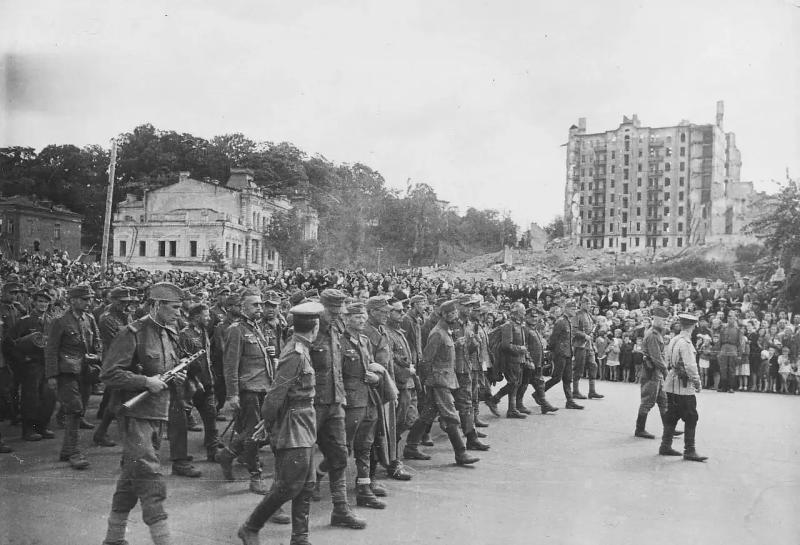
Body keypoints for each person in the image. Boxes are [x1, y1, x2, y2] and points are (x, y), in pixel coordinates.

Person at [99, 282, 187, 545]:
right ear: (156, 305)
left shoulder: (169, 332)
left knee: (130, 478)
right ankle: (163, 540)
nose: (179, 314)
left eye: (180, 309)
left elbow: (165, 368)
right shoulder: (132, 332)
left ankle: (113, 538)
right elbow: (109, 373)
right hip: (135, 415)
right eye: (174, 308)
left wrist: (176, 376)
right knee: (150, 477)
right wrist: (145, 382)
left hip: (159, 413)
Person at [237, 301, 325, 545]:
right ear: (315, 326)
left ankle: (300, 537)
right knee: (288, 484)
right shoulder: (295, 354)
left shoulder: (301, 349)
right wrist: (267, 422)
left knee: (306, 484)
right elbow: (276, 394)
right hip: (294, 423)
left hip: (304, 421)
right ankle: (250, 527)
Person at [309, 289, 366, 529]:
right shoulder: (308, 329)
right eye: (333, 311)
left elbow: (337, 368)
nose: (337, 316)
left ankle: (341, 509)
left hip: (334, 403)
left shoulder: (335, 329)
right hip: (310, 404)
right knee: (295, 456)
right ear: (323, 308)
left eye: (339, 311)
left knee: (339, 455)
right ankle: (277, 503)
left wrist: (341, 397)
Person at [402, 300, 480, 465]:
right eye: (450, 313)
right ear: (443, 315)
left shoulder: (447, 331)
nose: (454, 316)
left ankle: (410, 447)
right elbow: (426, 360)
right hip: (438, 381)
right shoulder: (438, 333)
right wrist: (427, 381)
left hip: (445, 378)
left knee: (427, 414)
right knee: (451, 416)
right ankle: (461, 452)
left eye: (454, 313)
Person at [218, 289, 275, 495]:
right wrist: (232, 394)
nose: (260, 308)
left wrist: (270, 354)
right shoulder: (236, 330)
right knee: (254, 433)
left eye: (260, 304)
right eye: (255, 305)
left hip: (264, 387)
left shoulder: (258, 328)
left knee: (258, 431)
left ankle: (228, 454)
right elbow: (230, 365)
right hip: (248, 389)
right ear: (242, 308)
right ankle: (255, 476)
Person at [44, 284, 102, 470]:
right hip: (66, 372)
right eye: (84, 299)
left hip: (85, 370)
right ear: (72, 300)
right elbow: (51, 350)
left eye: (89, 299)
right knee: (75, 409)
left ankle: (67, 450)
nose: (88, 302)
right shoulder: (59, 321)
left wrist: (98, 357)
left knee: (78, 411)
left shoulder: (89, 318)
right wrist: (52, 375)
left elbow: (97, 342)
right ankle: (74, 452)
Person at [340, 301, 386, 509]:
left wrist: (375, 378)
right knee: (343, 446)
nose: (361, 320)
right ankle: (319, 479)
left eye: (363, 316)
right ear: (346, 318)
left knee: (365, 446)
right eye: (356, 316)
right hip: (350, 402)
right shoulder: (340, 342)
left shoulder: (365, 340)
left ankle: (364, 489)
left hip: (368, 398)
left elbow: (368, 366)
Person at [660, 313, 708, 462]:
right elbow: (691, 366)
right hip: (683, 385)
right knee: (691, 416)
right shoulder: (686, 343)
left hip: (671, 382)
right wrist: (698, 383)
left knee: (671, 415)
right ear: (693, 326)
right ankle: (689, 450)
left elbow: (667, 359)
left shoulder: (674, 340)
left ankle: (665, 445)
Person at [94, 286, 137, 447]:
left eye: (127, 302)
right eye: (121, 302)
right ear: (113, 300)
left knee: (116, 398)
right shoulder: (107, 319)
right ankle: (107, 433)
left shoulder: (125, 316)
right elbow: (118, 342)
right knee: (116, 398)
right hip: (115, 362)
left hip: (126, 362)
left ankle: (102, 432)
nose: (124, 305)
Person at [11, 288, 56, 441]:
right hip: (32, 365)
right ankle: (29, 429)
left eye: (45, 302)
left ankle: (42, 427)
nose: (43, 304)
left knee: (48, 396)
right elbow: (10, 343)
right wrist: (23, 361)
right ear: (34, 302)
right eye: (40, 301)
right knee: (31, 398)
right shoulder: (25, 321)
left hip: (47, 364)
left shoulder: (52, 321)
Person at [635, 307, 683, 440]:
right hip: (652, 372)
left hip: (656, 373)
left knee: (663, 401)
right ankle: (640, 429)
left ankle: (669, 428)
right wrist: (666, 372)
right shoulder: (653, 335)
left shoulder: (656, 333)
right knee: (647, 401)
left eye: (666, 320)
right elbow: (656, 358)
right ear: (655, 319)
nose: (665, 322)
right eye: (663, 320)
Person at [546, 300, 583, 409]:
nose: (574, 311)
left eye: (575, 309)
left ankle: (570, 401)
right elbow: (553, 338)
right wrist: (553, 352)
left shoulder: (568, 321)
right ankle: (539, 393)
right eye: (572, 309)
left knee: (567, 378)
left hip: (567, 353)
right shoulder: (561, 321)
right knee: (556, 378)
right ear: (566, 309)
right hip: (560, 353)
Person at [572, 297, 603, 399]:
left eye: (590, 304)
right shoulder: (577, 314)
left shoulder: (589, 315)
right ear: (582, 304)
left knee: (593, 366)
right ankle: (575, 391)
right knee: (579, 368)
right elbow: (574, 330)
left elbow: (592, 329)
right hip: (580, 345)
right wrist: (585, 336)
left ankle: (592, 391)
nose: (589, 306)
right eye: (588, 304)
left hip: (589, 345)